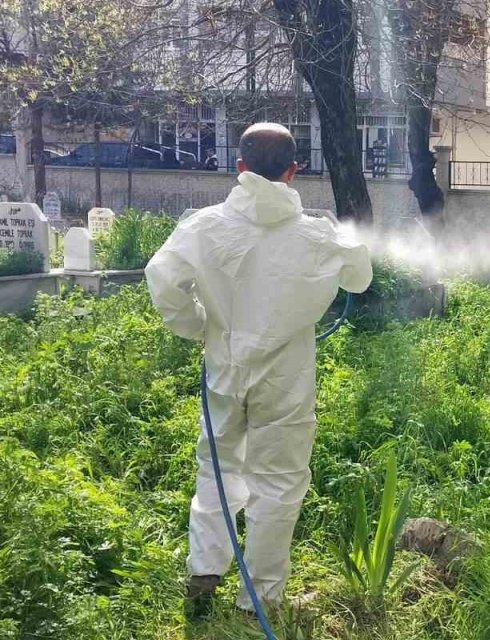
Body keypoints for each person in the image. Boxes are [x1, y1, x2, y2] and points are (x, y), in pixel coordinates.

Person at [146, 122, 372, 618]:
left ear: (241, 168)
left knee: (218, 468)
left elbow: (162, 278)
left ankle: (205, 570)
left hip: (224, 368)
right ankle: (260, 598)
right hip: (286, 380)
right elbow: (360, 276)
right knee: (280, 482)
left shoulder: (204, 226)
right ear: (294, 171)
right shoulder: (317, 233)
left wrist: (196, 325)